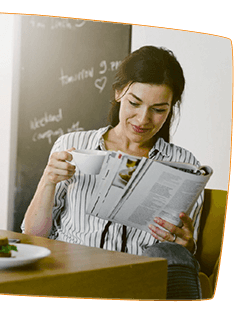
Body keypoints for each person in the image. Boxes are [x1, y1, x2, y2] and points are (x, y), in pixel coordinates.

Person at [21, 46, 203, 300]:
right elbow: (34, 235)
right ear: (118, 93)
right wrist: (48, 180)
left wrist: (187, 244)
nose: (142, 119)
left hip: (141, 283)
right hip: (73, 274)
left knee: (174, 258)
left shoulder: (184, 163)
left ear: (171, 108)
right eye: (134, 103)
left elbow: (182, 253)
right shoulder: (73, 145)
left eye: (159, 109)